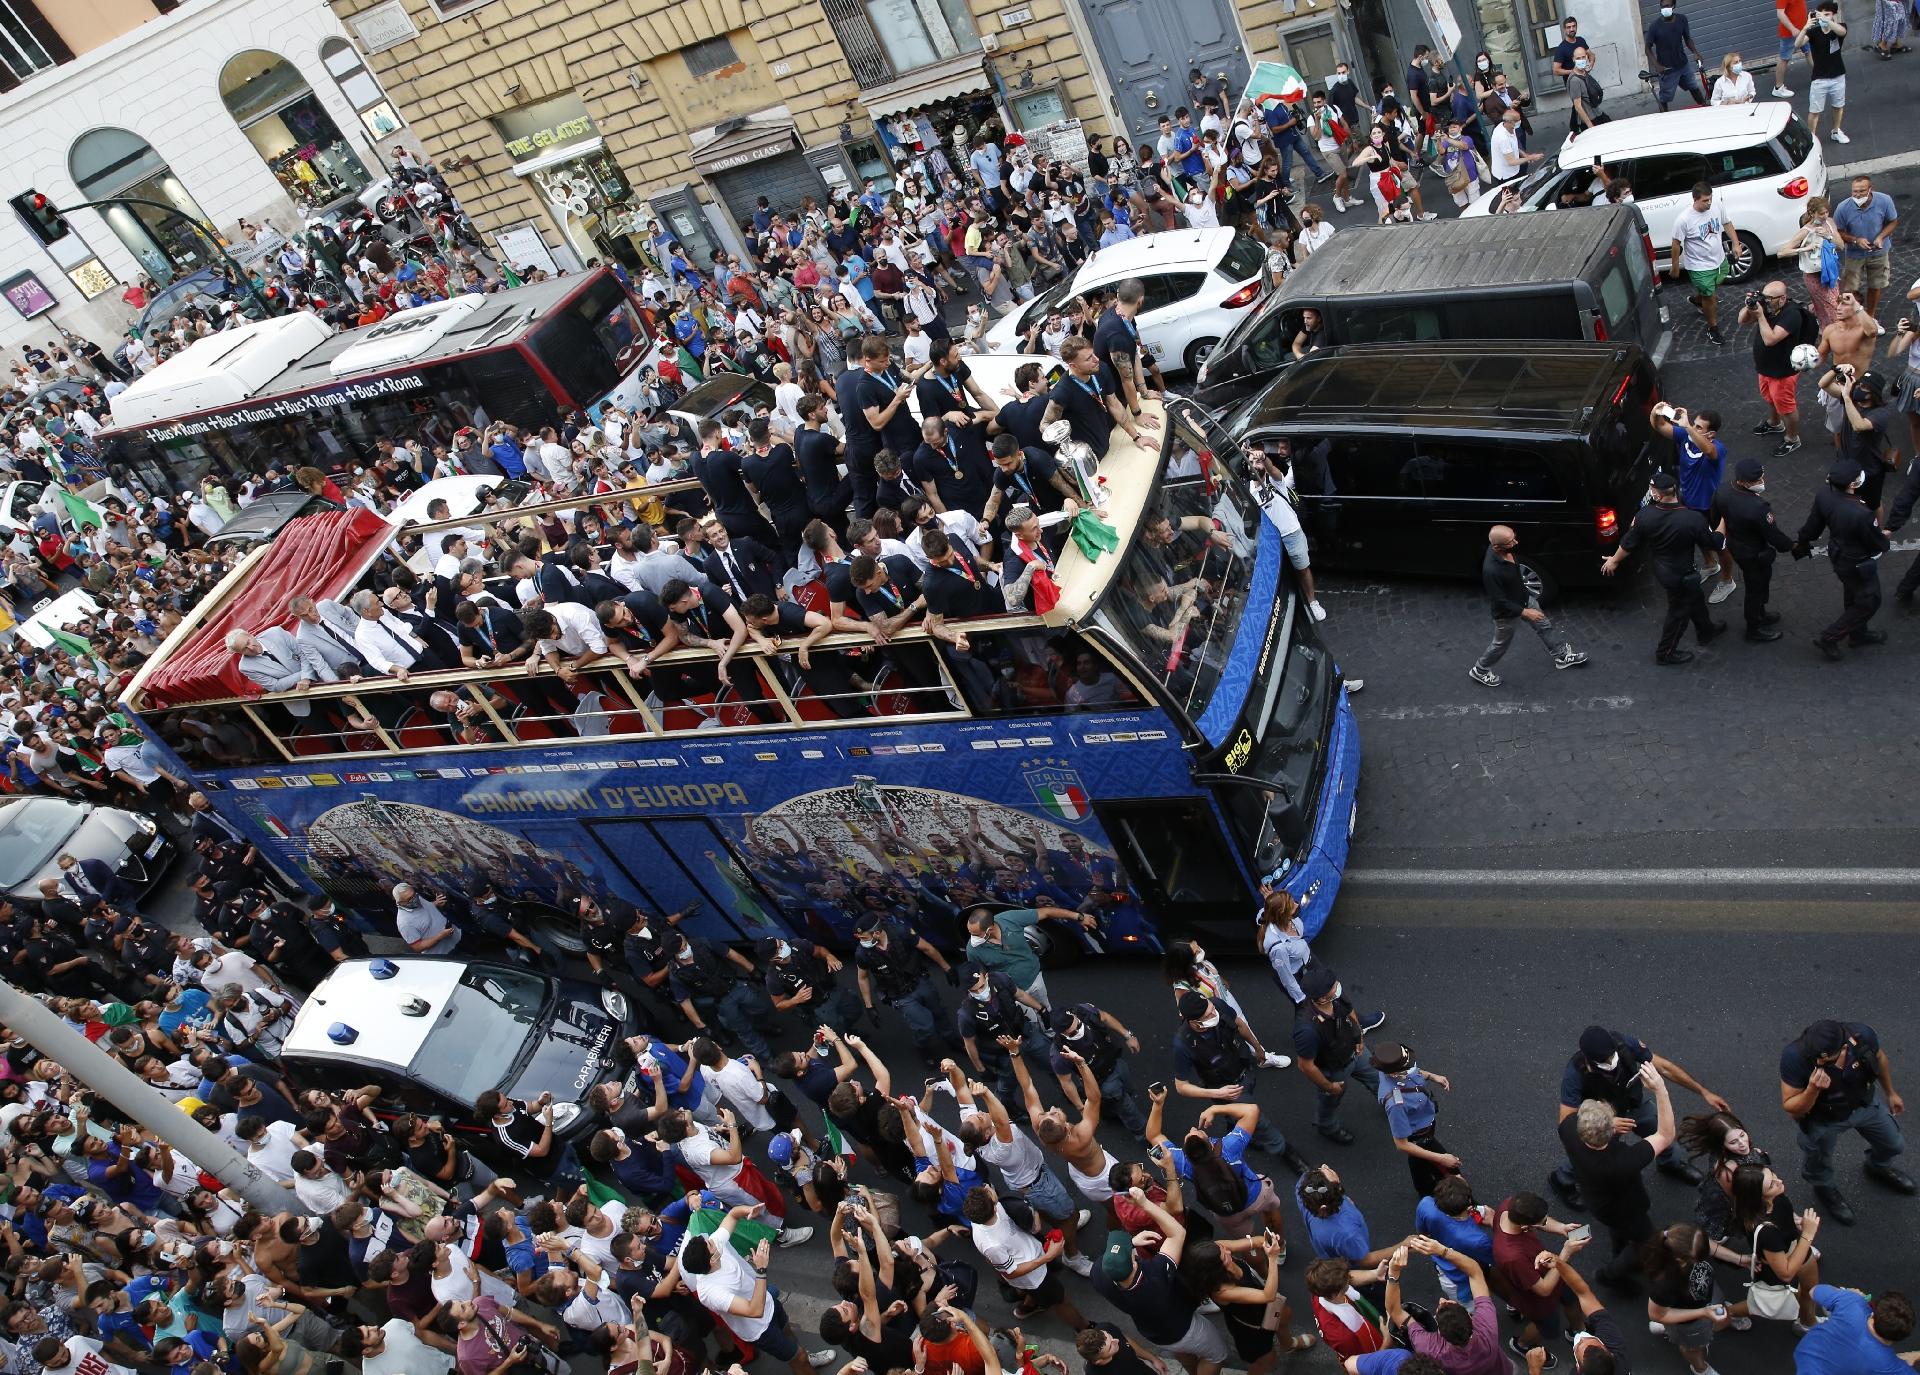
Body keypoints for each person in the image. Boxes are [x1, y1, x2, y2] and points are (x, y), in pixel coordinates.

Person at [1778, 1017, 1913, 1224]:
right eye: (1817, 1060)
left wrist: (1891, 1093)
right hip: (1823, 1119)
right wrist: (1813, 1089)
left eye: (1827, 1061)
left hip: (1864, 1105)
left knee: (1893, 1144)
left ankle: (1877, 1166)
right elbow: (1791, 1106)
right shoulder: (1794, 1057)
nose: (1821, 1064)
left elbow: (1880, 1059)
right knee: (1818, 1159)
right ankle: (1825, 1188)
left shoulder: (1863, 1036)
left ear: (1844, 1047)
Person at [1557, 1062, 1676, 1289]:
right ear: (1610, 1131)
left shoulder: (1569, 1129)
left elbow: (1569, 1117)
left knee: (1618, 1230)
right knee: (1646, 1242)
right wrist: (1661, 1089)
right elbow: (1666, 1135)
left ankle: (1618, 1248)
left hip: (1598, 1202)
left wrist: (1604, 1124)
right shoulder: (1622, 1162)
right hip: (1627, 1210)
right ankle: (1610, 1275)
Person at [1601, 468, 1727, 664]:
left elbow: (1628, 543)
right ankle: (1665, 653)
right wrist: (1722, 524)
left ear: (1657, 494)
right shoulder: (1692, 519)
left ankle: (1706, 630)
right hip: (1681, 574)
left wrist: (1614, 560)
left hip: (1663, 569)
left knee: (1695, 597)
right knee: (1678, 613)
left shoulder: (1644, 515)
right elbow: (1714, 543)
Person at [1092, 1197, 1229, 1375]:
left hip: (1156, 1332)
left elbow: (1111, 1260)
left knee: (1184, 1353)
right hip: (1184, 1329)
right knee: (1216, 1355)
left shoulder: (1099, 1273)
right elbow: (1177, 1233)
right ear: (1134, 1265)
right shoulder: (1155, 1277)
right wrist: (1144, 1203)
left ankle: (1191, 1370)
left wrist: (1131, 1243)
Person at [1792, 456, 1891, 660]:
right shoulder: (1861, 513)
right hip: (1857, 562)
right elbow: (1877, 543)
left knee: (1853, 595)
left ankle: (1858, 634)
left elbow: (1812, 527)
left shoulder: (1824, 495)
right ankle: (1830, 637)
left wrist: (1802, 542)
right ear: (1853, 483)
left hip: (1839, 555)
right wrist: (1884, 539)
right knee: (1868, 602)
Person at [1468, 524, 1587, 686]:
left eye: (1514, 538)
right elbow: (1499, 602)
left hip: (1524, 599)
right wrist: (1525, 612)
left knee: (1544, 625)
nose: (1516, 542)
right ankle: (1480, 670)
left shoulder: (1505, 551)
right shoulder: (1492, 570)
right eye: (1510, 542)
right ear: (1496, 547)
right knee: (1500, 645)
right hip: (1507, 614)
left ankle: (1561, 656)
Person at [1384, 1236, 1504, 1374]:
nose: (1442, 1300)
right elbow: (1475, 1272)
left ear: (1439, 1333)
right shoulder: (1486, 1325)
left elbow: (1395, 1311)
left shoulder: (1430, 1347)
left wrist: (1393, 1272)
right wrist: (1443, 1251)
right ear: (1470, 1319)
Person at [1641, 1222, 1749, 1374]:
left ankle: (1669, 1328)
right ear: (1680, 1260)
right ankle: (1700, 1369)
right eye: (1699, 1256)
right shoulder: (1664, 1283)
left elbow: (1708, 1246)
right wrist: (1703, 1313)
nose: (1706, 1256)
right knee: (1693, 1347)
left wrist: (1738, 1259)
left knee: (1722, 1311)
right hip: (1689, 1323)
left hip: (1707, 1298)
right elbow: (1657, 1314)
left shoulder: (1684, 1239)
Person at [1710, 457, 1795, 641]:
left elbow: (1715, 517)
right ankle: (1754, 628)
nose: (1761, 482)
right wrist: (1792, 546)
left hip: (1736, 546)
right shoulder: (1758, 507)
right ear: (1743, 482)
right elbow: (1774, 535)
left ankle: (1761, 615)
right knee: (1755, 588)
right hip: (1754, 553)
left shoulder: (1723, 490)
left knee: (1757, 585)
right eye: (1757, 481)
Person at [1730, 1163, 1823, 1327]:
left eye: (1773, 1175)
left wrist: (1798, 1224)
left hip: (1796, 1247)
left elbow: (1786, 1222)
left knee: (1810, 1290)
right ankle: (1729, 1312)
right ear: (1758, 1195)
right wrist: (1808, 1234)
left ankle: (1808, 1322)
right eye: (1772, 1184)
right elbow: (1786, 1273)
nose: (1779, 1181)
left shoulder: (1777, 1198)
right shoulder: (1767, 1230)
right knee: (1763, 1303)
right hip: (1781, 1263)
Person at [1739, 279, 1810, 458]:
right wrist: (1750, 306)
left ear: (1782, 299)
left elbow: (1771, 339)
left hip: (1783, 371)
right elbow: (1742, 321)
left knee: (1786, 406)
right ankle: (1774, 423)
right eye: (1764, 297)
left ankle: (1792, 438)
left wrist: (1761, 316)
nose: (1766, 301)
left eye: (1769, 298)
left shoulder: (1792, 314)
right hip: (1765, 367)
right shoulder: (1766, 305)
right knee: (1769, 397)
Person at [1669, 183, 1737, 345]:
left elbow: (1726, 223)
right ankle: (1712, 328)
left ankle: (1698, 299)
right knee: (1710, 296)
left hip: (1719, 260)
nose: (1709, 203)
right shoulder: (1684, 219)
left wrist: (1736, 243)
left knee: (1712, 287)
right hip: (1699, 266)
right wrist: (1675, 266)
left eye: (1710, 199)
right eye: (1705, 200)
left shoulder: (1716, 206)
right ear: (1695, 199)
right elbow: (1676, 244)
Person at [1793, 1287, 1919, 1373]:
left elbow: (1814, 1291)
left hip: (1805, 1354)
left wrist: (1850, 1294)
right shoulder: (1887, 1364)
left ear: (1873, 1314)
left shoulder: (1853, 1303)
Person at [1831, 175, 1899, 318]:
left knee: (1875, 285)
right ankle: (1852, 316)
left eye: (1861, 191)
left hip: (1879, 252)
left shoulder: (1884, 200)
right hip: (1854, 255)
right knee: (1850, 288)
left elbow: (1893, 221)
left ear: (1870, 190)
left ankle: (1871, 316)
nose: (1857, 194)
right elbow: (1839, 232)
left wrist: (1881, 237)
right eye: (1854, 191)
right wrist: (1856, 240)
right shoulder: (1843, 208)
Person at [1795, 0, 1849, 142]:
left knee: (1838, 106)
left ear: (1833, 15)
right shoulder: (1813, 32)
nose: (1824, 17)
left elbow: (1842, 32)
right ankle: (1811, 138)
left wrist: (1827, 21)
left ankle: (1836, 131)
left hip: (1838, 76)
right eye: (1821, 15)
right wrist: (1805, 27)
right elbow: (1798, 44)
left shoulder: (1839, 27)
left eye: (1827, 14)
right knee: (1814, 111)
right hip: (1819, 78)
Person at [1646, 0, 1709, 109]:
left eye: (1667, 6)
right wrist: (1657, 66)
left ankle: (1704, 108)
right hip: (1667, 69)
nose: (1665, 9)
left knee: (1693, 86)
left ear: (1674, 5)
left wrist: (1696, 52)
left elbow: (1687, 39)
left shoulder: (1682, 19)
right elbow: (1647, 49)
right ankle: (1663, 116)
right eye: (1662, 7)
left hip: (1683, 64)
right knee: (1665, 97)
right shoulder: (1654, 26)